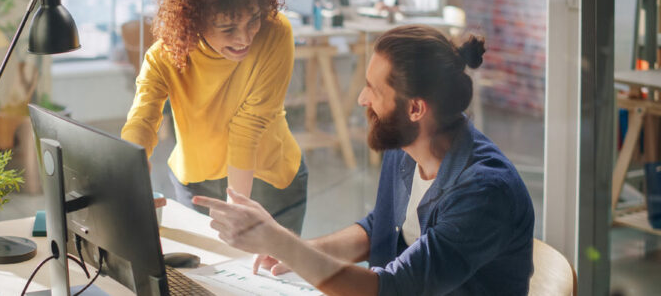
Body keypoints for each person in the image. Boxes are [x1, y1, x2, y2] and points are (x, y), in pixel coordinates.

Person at [194, 25, 535, 295]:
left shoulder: (485, 191)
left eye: (373, 89)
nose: (361, 99)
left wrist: (279, 240)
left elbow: (393, 289)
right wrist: (299, 253)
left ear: (415, 108)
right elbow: (380, 229)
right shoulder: (405, 147)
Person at [121, 0, 308, 234]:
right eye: (228, 28)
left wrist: (237, 209)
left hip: (268, 177)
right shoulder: (164, 56)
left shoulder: (274, 31)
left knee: (270, 270)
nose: (245, 37)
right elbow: (142, 120)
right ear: (193, 21)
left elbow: (249, 125)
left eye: (253, 20)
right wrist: (129, 174)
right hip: (197, 184)